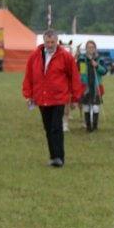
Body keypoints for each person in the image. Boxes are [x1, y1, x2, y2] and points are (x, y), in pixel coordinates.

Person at [22, 30, 83, 167]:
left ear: (57, 41)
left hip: (59, 98)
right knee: (48, 127)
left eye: (52, 42)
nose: (50, 45)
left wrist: (75, 97)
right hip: (42, 98)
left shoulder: (65, 57)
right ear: (44, 42)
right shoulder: (34, 57)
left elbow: (74, 76)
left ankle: (59, 158)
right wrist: (28, 95)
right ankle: (53, 156)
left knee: (56, 127)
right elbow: (29, 76)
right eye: (47, 42)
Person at [77, 40, 108, 132]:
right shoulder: (82, 59)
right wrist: (83, 80)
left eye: (92, 47)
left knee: (95, 107)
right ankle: (88, 127)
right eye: (89, 47)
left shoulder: (99, 59)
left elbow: (104, 71)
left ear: (95, 48)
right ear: (86, 49)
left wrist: (97, 66)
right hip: (86, 86)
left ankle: (94, 126)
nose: (90, 49)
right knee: (86, 106)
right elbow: (80, 71)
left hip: (96, 86)